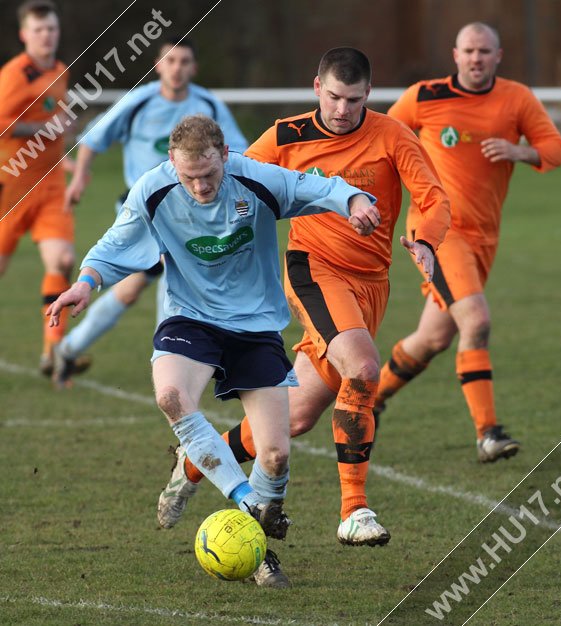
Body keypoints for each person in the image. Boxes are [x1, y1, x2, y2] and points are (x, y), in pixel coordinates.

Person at [47, 114, 381, 588]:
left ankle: (195, 472)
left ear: (225, 156)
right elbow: (113, 244)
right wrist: (86, 283)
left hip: (257, 325)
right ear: (172, 164)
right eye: (189, 177)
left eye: (209, 174)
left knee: (277, 456)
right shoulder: (153, 189)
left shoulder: (255, 178)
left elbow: (316, 185)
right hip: (191, 318)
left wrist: (354, 200)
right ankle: (253, 521)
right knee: (171, 398)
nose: (200, 186)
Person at [156, 48, 451, 566]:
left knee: (294, 417)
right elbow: (233, 176)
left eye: (354, 99)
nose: (342, 109)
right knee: (362, 368)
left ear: (369, 95)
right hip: (311, 270)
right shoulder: (288, 136)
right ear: (317, 87)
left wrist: (425, 239)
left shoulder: (391, 135)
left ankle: (196, 463)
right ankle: (355, 511)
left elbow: (433, 197)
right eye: (334, 96)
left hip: (371, 284)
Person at [374, 22, 561, 462]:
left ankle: (372, 397)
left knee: (432, 338)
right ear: (455, 54)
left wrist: (521, 151)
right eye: (468, 51)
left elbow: (555, 149)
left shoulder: (516, 98)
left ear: (498, 56)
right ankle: (488, 434)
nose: (476, 58)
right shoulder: (424, 96)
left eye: (484, 51)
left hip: (484, 237)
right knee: (475, 321)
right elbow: (381, 139)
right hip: (437, 231)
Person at [52, 36, 249, 388]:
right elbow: (94, 139)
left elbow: (242, 151)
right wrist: (80, 178)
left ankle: (69, 350)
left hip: (192, 213)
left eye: (184, 61)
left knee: (132, 290)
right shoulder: (139, 101)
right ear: (159, 66)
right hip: (142, 210)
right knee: (172, 277)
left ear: (194, 67)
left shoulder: (207, 105)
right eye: (170, 61)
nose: (177, 68)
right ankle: (171, 364)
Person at [0, 0, 79, 376]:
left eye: (51, 28)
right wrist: (47, 129)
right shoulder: (15, 75)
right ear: (24, 35)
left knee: (62, 261)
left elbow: (58, 124)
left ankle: (54, 351)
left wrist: (69, 159)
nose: (47, 35)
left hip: (50, 188)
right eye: (39, 30)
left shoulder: (61, 71)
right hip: (11, 186)